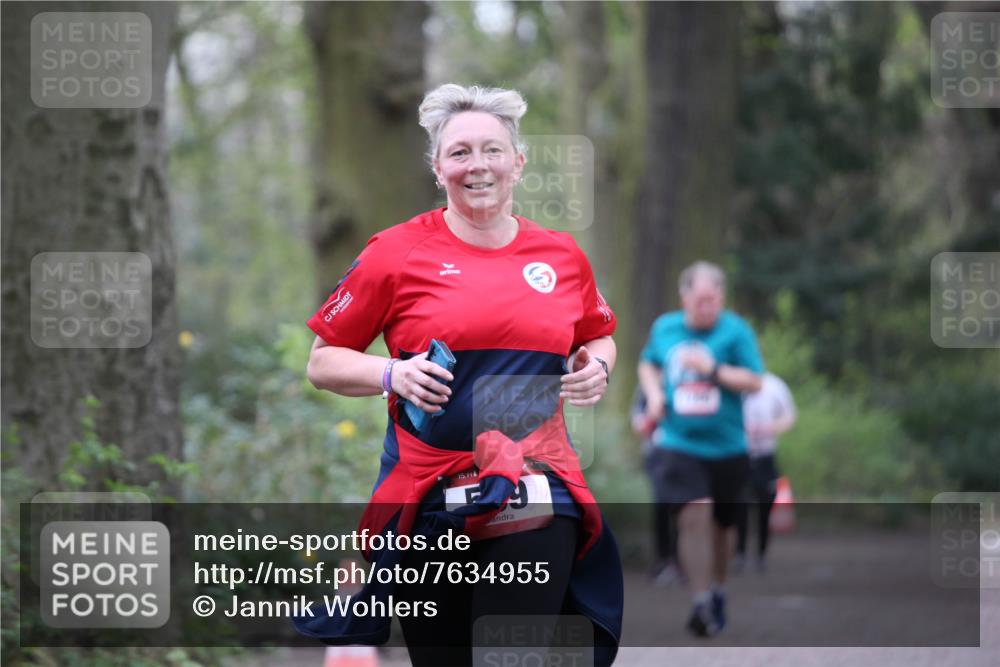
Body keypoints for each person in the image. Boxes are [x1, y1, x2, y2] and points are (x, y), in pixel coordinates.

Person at [294, 84, 623, 667]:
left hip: (533, 487)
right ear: (437, 167)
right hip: (428, 499)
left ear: (518, 163)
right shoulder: (394, 254)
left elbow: (598, 332)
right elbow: (322, 360)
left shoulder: (562, 257)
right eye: (461, 152)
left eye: (493, 150)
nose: (478, 166)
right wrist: (392, 373)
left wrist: (595, 365)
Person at [637, 261, 764, 638]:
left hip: (727, 446)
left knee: (723, 530)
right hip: (679, 442)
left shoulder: (736, 332)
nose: (707, 307)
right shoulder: (666, 328)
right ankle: (700, 600)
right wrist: (656, 395)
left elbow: (755, 381)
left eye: (714, 299)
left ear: (722, 298)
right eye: (701, 299)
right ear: (685, 296)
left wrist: (713, 370)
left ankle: (719, 588)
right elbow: (648, 365)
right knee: (695, 515)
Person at [734, 372, 796, 573]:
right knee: (738, 504)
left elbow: (789, 415)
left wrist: (770, 428)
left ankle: (761, 554)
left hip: (765, 455)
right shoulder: (732, 382)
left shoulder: (774, 385)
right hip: (738, 454)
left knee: (765, 504)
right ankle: (739, 553)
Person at [630, 386, 682, 586]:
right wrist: (647, 421)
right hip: (656, 455)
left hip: (684, 455)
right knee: (661, 505)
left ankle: (680, 560)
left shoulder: (683, 380)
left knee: (683, 507)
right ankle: (663, 560)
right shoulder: (646, 387)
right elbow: (637, 418)